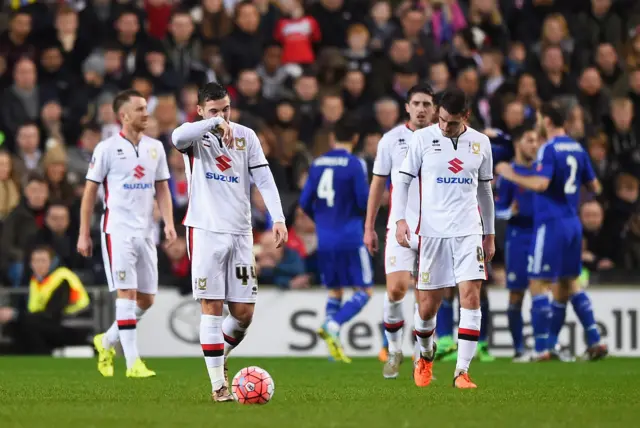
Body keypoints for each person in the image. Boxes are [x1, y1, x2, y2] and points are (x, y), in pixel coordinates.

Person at [171, 82, 287, 402]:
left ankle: (218, 356)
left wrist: (278, 217)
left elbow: (263, 177)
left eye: (226, 109)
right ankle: (218, 386)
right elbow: (176, 137)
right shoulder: (195, 137)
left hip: (240, 232)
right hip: (206, 229)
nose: (222, 116)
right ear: (200, 111)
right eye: (213, 110)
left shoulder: (246, 136)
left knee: (244, 313)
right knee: (212, 305)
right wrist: (211, 124)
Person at [392, 88, 495, 389]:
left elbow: (485, 191)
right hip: (432, 233)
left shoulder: (481, 143)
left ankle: (461, 371)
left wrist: (488, 234)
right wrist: (400, 220)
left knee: (471, 297)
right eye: (442, 120)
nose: (444, 126)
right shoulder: (422, 139)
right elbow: (403, 180)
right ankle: (425, 355)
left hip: (468, 231)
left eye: (451, 123)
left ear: (466, 116)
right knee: (427, 309)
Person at [495, 102, 608, 362]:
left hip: (551, 224)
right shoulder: (577, 148)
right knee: (570, 282)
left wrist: (512, 174)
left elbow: (541, 183)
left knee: (538, 283)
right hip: (573, 223)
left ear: (546, 121)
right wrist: (570, 197)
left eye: (537, 119)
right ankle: (594, 339)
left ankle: (542, 347)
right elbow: (596, 187)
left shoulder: (548, 149)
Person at [77, 89, 177, 378]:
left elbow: (162, 188)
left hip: (147, 231)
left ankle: (106, 340)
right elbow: (89, 193)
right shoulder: (106, 149)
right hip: (117, 230)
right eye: (141, 109)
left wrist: (168, 222)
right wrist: (84, 234)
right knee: (128, 293)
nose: (147, 113)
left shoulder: (155, 147)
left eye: (146, 108)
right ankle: (133, 362)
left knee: (146, 300)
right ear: (124, 115)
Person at [363, 83, 435, 378]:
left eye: (427, 104)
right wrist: (369, 227)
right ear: (407, 107)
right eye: (416, 103)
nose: (421, 109)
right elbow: (378, 184)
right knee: (396, 289)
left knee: (427, 299)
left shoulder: (442, 140)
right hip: (399, 225)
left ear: (434, 109)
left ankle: (424, 358)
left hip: (434, 229)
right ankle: (394, 350)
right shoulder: (391, 140)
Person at [299, 117, 371, 364]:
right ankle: (333, 323)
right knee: (365, 290)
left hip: (325, 238)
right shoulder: (355, 164)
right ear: (355, 138)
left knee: (335, 290)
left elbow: (304, 202)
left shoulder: (317, 163)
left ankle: (334, 350)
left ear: (332, 138)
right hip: (350, 236)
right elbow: (363, 201)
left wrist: (321, 220)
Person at [494, 124, 539, 362]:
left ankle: (545, 344)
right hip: (518, 238)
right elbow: (498, 210)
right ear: (519, 143)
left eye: (536, 141)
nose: (534, 145)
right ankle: (520, 349)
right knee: (516, 295)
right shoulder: (509, 173)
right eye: (530, 140)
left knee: (543, 293)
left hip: (541, 236)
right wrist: (509, 211)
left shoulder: (543, 170)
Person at [0, 245, 90, 355]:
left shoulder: (62, 278)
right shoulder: (36, 281)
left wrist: (16, 314)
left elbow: (52, 313)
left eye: (43, 261)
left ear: (52, 262)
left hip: (73, 325)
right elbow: (35, 312)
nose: (39, 265)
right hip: (52, 323)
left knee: (28, 325)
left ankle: (41, 358)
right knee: (15, 325)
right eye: (35, 261)